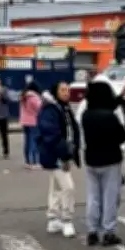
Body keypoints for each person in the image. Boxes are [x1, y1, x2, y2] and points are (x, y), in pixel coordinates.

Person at [81, 81, 125, 246]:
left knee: (93, 196)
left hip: (91, 159)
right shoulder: (110, 116)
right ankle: (109, 231)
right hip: (110, 159)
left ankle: (92, 230)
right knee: (110, 197)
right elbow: (121, 136)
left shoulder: (86, 115)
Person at [37, 81, 81, 238]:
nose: (66, 92)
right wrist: (65, 155)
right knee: (68, 187)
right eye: (63, 90)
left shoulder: (65, 108)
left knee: (56, 187)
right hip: (56, 155)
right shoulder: (50, 110)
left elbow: (72, 129)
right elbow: (52, 135)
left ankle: (53, 218)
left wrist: (74, 149)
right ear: (56, 91)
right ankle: (67, 220)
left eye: (68, 90)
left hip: (61, 153)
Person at [19, 81, 42, 169]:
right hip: (33, 121)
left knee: (27, 142)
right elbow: (40, 108)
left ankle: (27, 161)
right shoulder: (33, 97)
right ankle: (35, 161)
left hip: (25, 121)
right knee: (34, 142)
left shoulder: (24, 97)